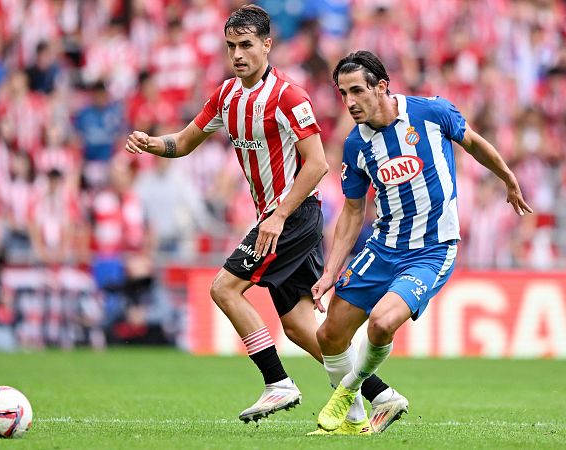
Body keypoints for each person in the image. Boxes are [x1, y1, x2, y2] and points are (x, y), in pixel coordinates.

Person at [125, 6, 405, 430]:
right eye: (231, 46)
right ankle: (380, 394)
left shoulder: (288, 96)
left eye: (246, 45)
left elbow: (316, 165)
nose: (237, 54)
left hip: (293, 215)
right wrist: (152, 144)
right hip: (280, 217)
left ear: (267, 45)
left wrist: (277, 217)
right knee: (299, 329)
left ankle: (277, 381)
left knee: (224, 288)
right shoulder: (225, 96)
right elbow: (183, 143)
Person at [308, 51, 532, 436]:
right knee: (329, 334)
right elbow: (351, 211)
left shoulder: (431, 112)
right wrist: (330, 271)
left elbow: (474, 143)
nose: (350, 102)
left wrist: (507, 177)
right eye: (344, 93)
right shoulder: (355, 145)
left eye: (358, 90)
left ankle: (348, 391)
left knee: (381, 323)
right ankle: (357, 424)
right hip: (383, 247)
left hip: (432, 249)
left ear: (381, 86)